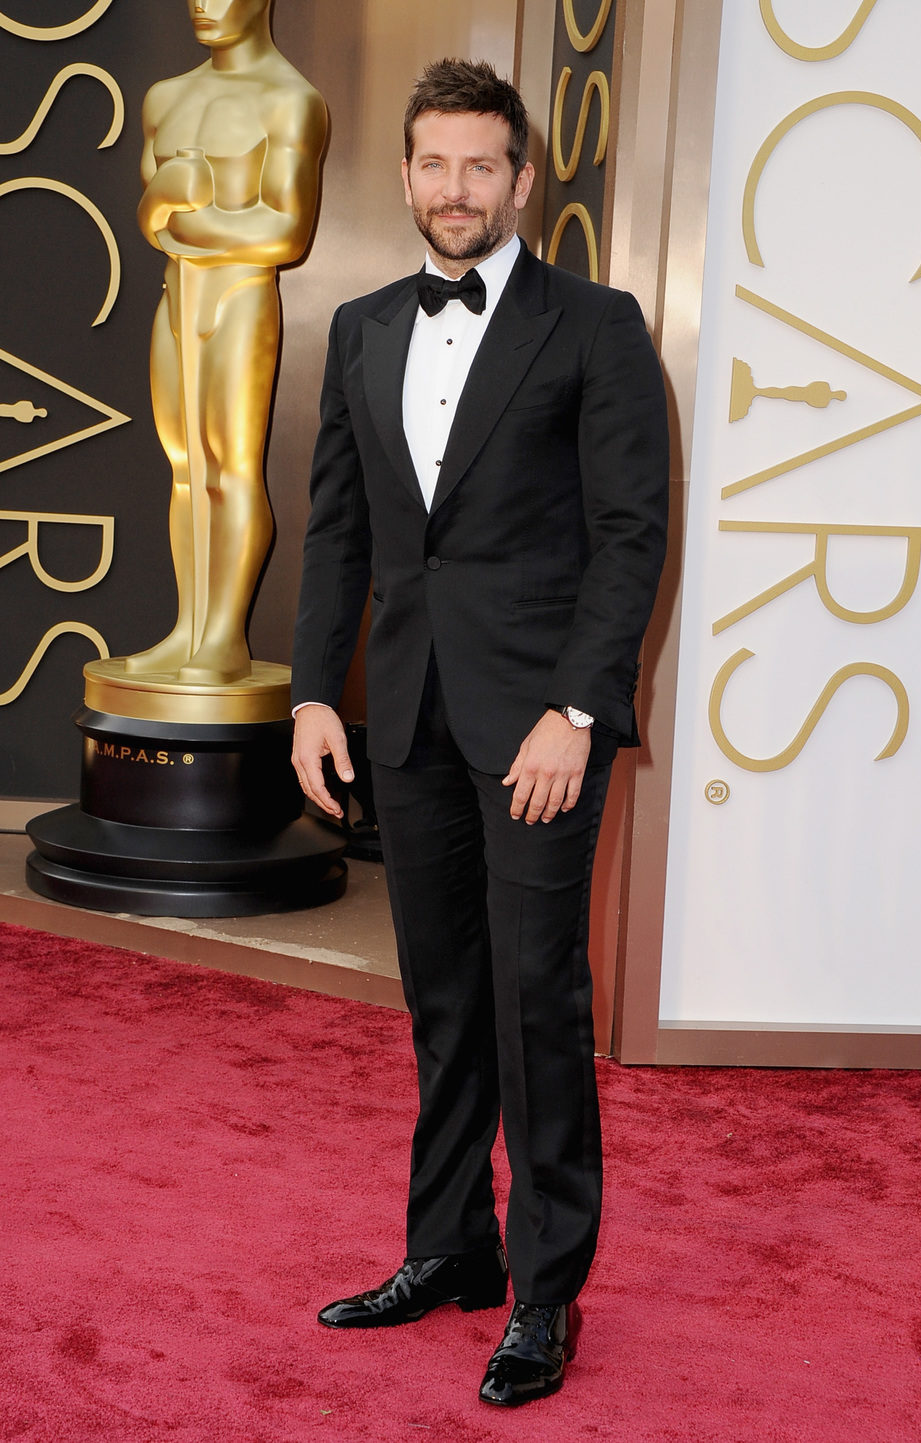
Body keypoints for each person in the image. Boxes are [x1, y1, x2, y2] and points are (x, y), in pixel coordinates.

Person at [291, 58, 669, 1407]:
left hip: (536, 732)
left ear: (522, 179)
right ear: (407, 176)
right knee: (444, 999)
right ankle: (451, 1245)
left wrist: (580, 708)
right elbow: (340, 525)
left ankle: (549, 1293)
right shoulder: (361, 327)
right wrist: (314, 692)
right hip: (407, 718)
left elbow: (632, 537)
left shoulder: (597, 326)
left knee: (536, 1003)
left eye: (481, 166)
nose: (456, 189)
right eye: (434, 164)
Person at [126, 0, 326, 685]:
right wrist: (177, 203)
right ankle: (188, 629)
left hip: (240, 299)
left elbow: (285, 232)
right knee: (185, 468)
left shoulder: (292, 102)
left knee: (230, 464)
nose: (204, 7)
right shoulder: (165, 97)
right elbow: (150, 219)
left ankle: (223, 637)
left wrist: (193, 206)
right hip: (175, 299)